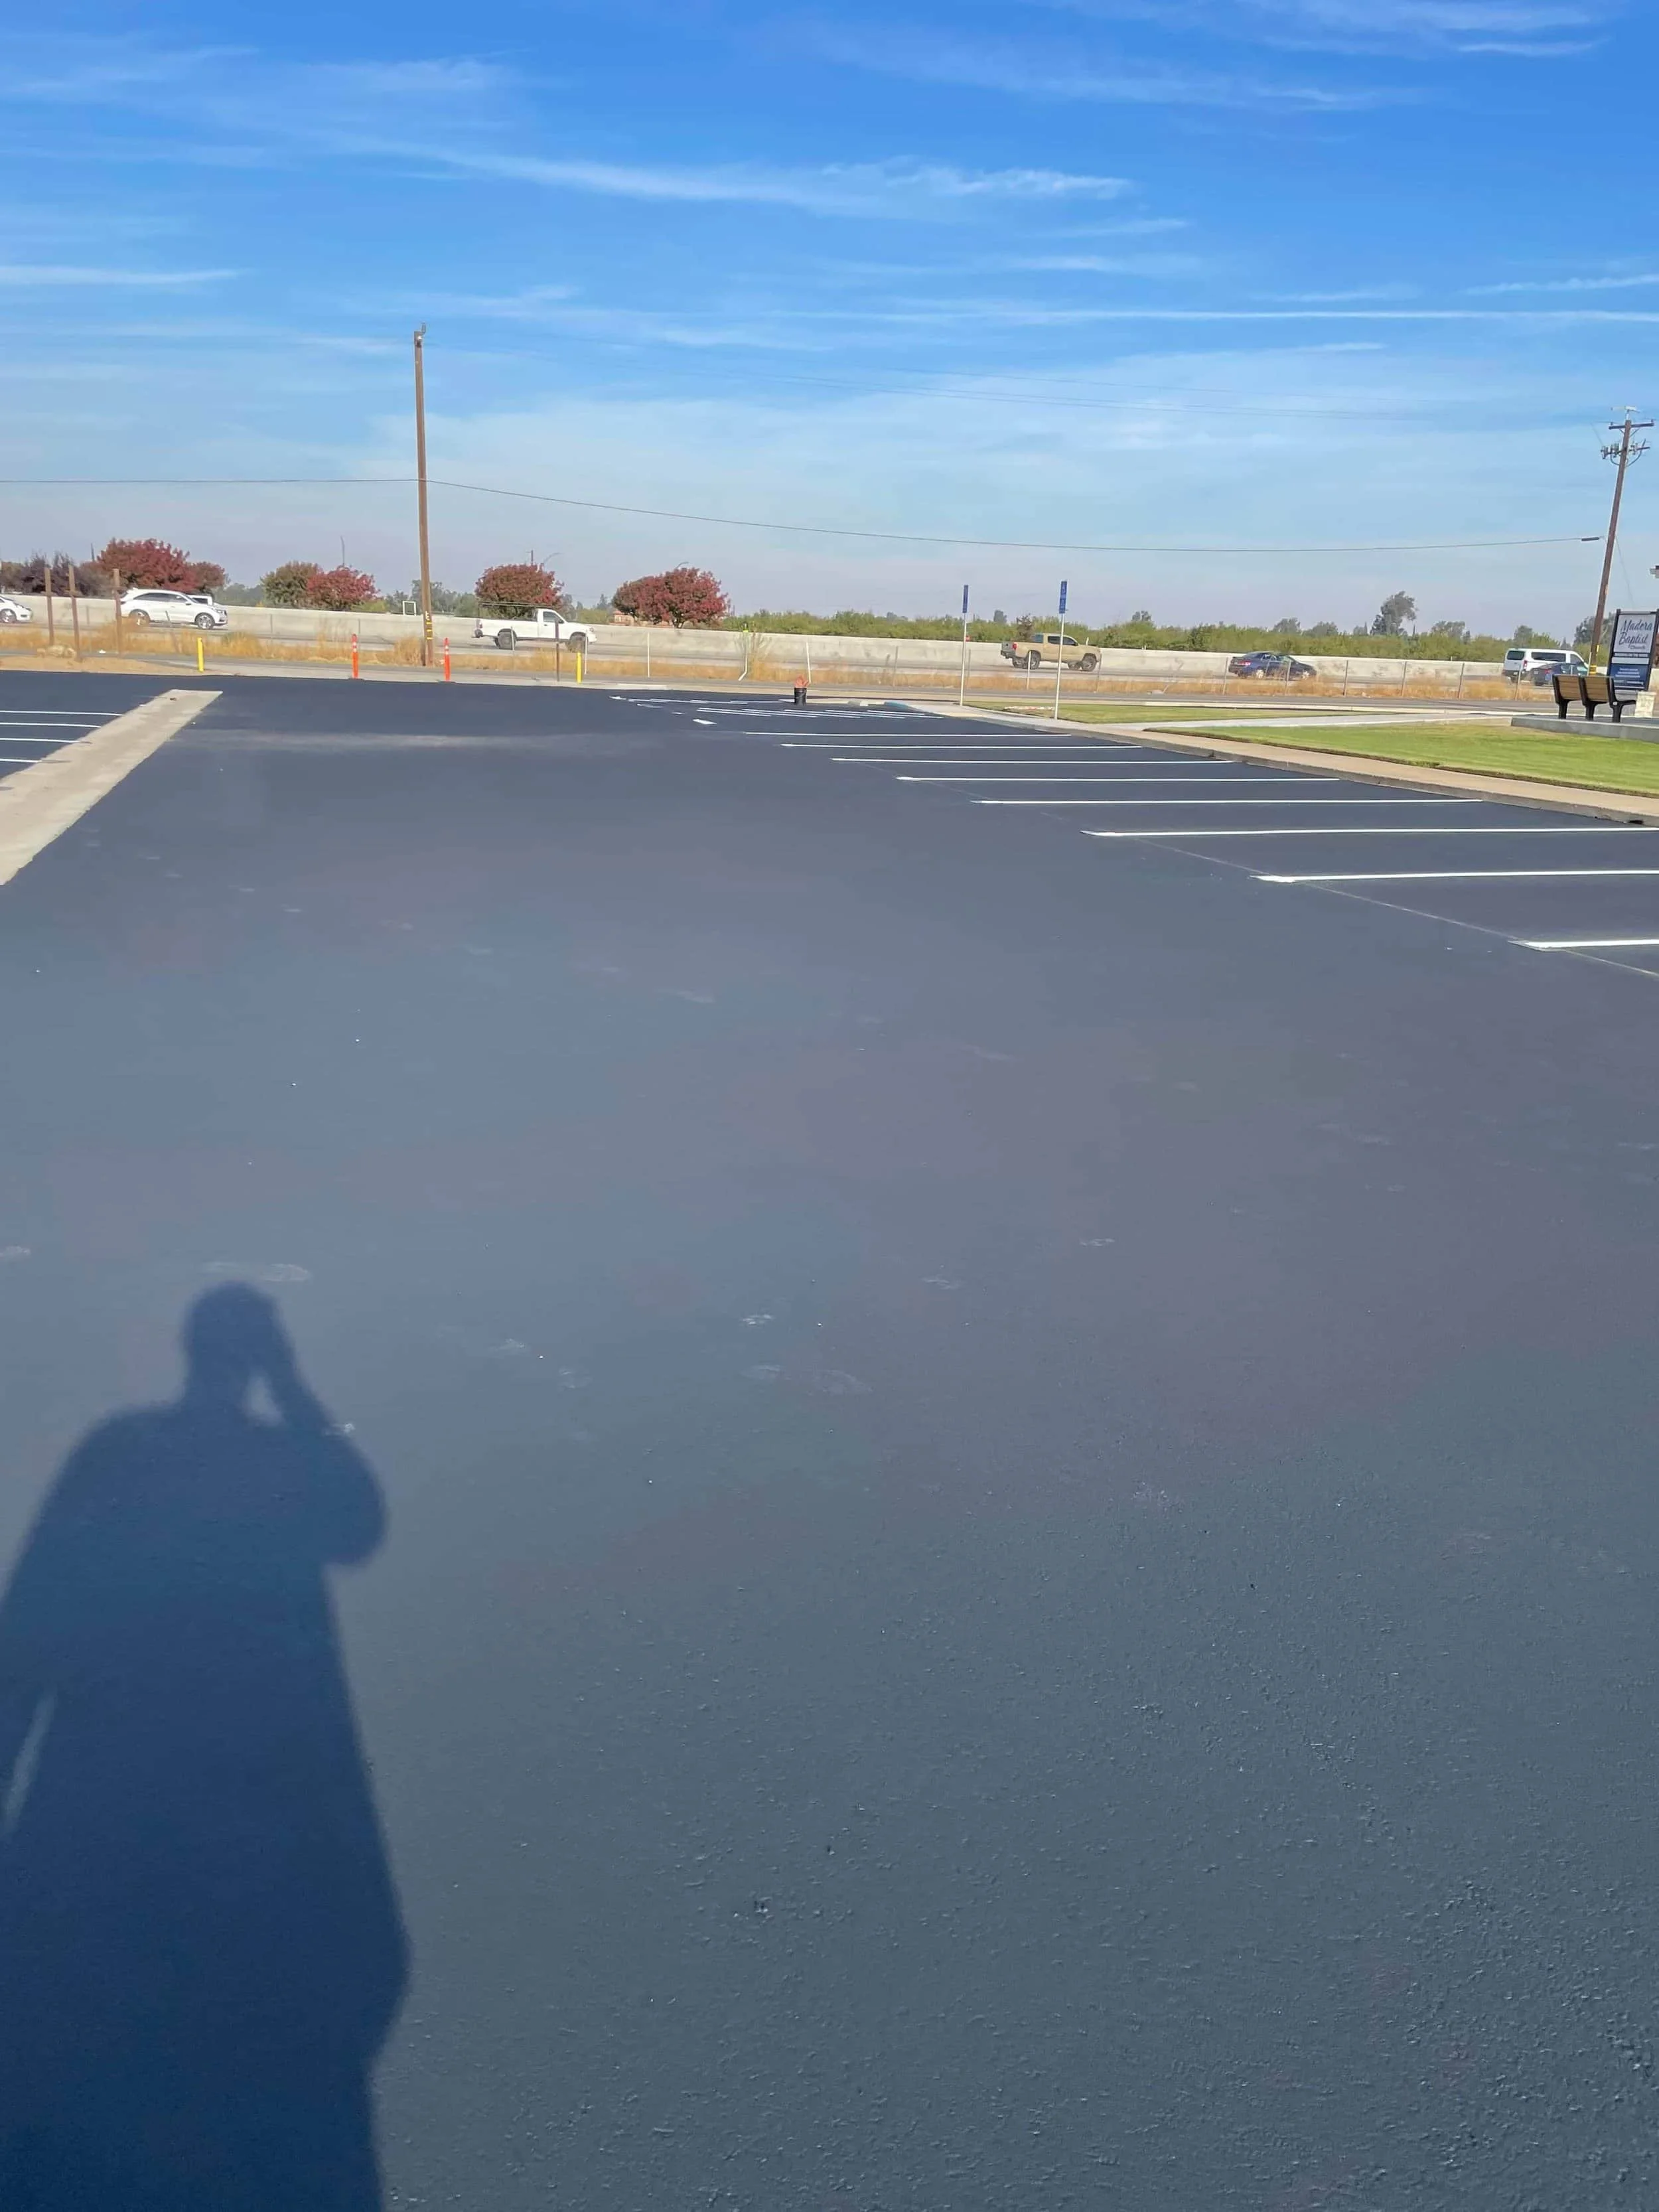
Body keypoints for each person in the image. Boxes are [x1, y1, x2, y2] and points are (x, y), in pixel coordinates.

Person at [0, 1286, 405, 2210]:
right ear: (250, 1358)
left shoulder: (122, 1454)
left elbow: (32, 1617)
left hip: (113, 1804)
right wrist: (296, 1389)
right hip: (240, 1813)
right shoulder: (277, 1467)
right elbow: (360, 1519)